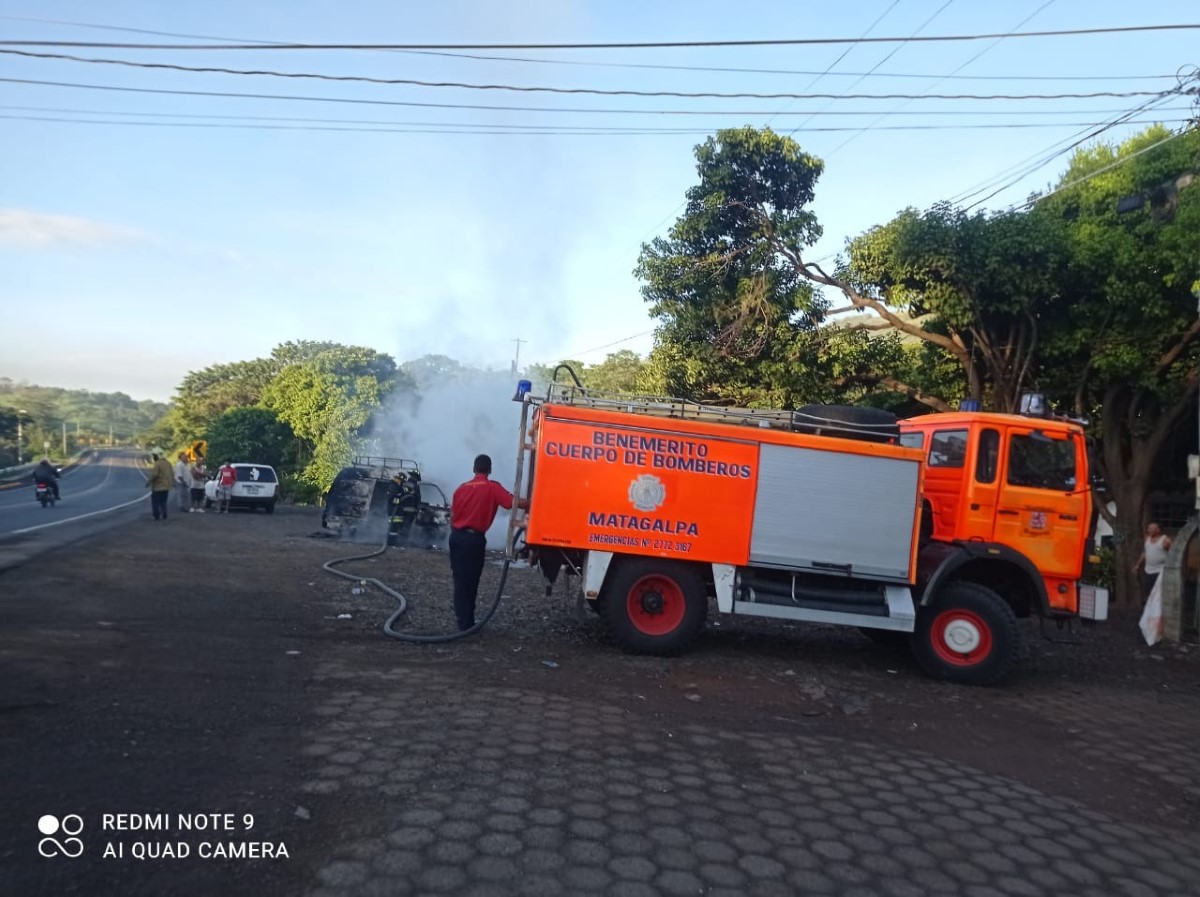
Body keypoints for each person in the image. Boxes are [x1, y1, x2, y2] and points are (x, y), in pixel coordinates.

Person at [448, 454, 528, 631]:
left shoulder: (461, 488)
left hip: (456, 538)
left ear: (474, 468)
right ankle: (467, 623)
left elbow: (452, 517)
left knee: (459, 579)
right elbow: (512, 503)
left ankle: (464, 621)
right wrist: (533, 503)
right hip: (473, 540)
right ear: (489, 469)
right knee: (472, 579)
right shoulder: (492, 488)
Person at [1135, 521, 1173, 601]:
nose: (1149, 530)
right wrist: (1138, 564)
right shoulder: (1147, 539)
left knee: (1159, 593)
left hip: (1160, 571)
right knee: (1149, 592)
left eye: (1152, 528)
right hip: (1148, 571)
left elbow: (1173, 554)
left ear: (1158, 530)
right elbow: (1145, 552)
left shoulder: (1165, 540)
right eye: (1149, 528)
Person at [145, 452, 174, 521]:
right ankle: (164, 514)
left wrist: (148, 482)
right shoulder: (168, 463)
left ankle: (156, 516)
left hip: (158, 486)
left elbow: (155, 474)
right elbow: (172, 474)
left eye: (154, 456)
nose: (153, 457)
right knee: (163, 501)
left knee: (155, 502)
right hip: (166, 486)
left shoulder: (157, 464)